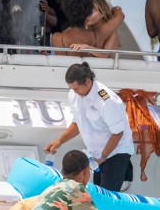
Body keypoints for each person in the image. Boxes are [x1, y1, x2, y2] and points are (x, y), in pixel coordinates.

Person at [45, 62, 134, 191]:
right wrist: (59, 141)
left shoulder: (107, 101)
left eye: (77, 89)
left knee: (106, 196)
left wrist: (102, 157)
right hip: (96, 154)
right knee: (96, 193)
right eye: (72, 89)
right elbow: (77, 124)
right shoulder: (74, 95)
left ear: (87, 81)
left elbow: (118, 133)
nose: (74, 92)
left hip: (115, 152)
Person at [52, 0, 124, 57]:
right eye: (88, 11)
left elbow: (105, 56)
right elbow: (120, 16)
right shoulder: (94, 32)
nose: (89, 15)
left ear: (103, 13)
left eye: (92, 11)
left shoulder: (110, 31)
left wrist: (114, 9)